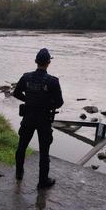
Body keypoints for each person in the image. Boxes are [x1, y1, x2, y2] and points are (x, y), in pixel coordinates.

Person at [13, 48, 64, 189]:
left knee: (22, 146)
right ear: (48, 63)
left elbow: (16, 93)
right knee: (44, 151)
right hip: (44, 119)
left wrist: (28, 100)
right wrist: (47, 104)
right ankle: (43, 181)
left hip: (28, 117)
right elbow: (59, 103)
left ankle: (19, 173)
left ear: (36, 62)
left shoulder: (26, 77)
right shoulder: (53, 81)